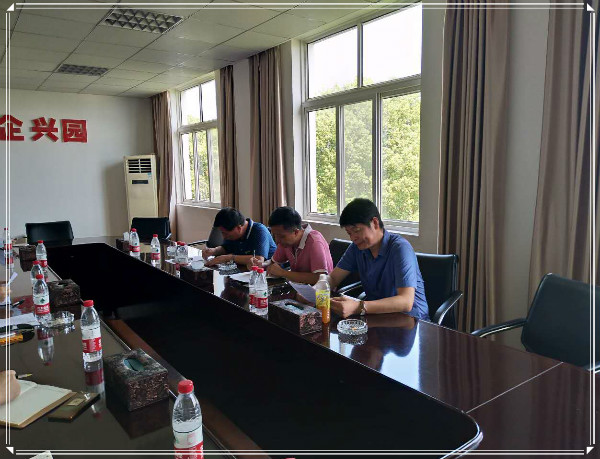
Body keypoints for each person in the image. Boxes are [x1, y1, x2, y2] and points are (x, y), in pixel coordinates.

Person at [328, 198, 429, 320]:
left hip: (412, 320)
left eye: (356, 231)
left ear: (375, 223)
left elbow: (406, 302)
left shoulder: (400, 248)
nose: (353, 238)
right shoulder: (356, 248)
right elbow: (333, 278)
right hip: (378, 316)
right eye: (349, 233)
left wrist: (358, 306)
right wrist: (318, 288)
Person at [251, 207, 334, 284]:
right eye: (275, 235)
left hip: (320, 292)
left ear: (296, 232)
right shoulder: (285, 242)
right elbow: (274, 262)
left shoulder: (314, 242)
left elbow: (320, 278)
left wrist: (283, 273)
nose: (277, 240)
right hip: (298, 287)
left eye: (280, 236)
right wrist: (262, 264)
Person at [203, 207, 276, 267]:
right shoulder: (233, 233)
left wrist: (229, 258)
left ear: (238, 228)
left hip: (267, 273)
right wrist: (214, 251)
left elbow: (258, 260)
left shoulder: (259, 231)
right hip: (243, 271)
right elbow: (226, 248)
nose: (224, 237)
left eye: (226, 234)